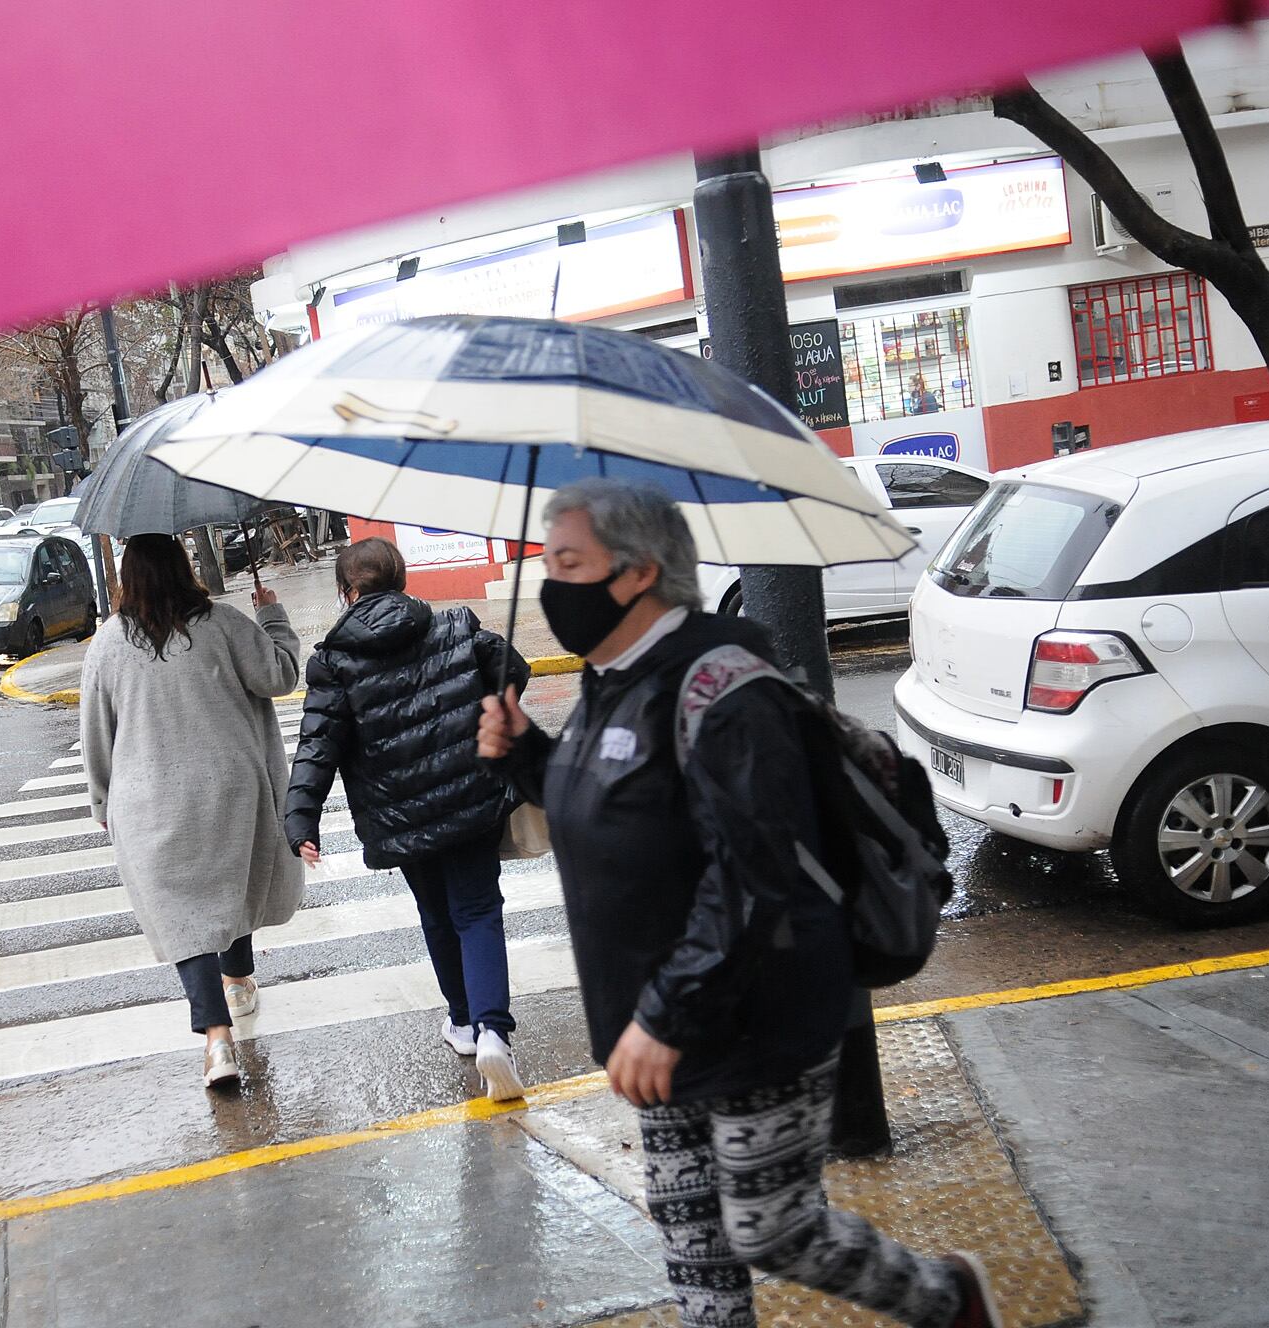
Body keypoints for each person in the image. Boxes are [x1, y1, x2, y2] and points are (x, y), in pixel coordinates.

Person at [477, 479, 1002, 1328]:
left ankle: (948, 1298)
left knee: (770, 1228)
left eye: (567, 561)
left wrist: (668, 1016)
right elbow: (617, 809)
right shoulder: (612, 676)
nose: (550, 580)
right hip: (658, 1018)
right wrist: (526, 755)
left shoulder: (726, 691)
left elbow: (761, 878)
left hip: (756, 1014)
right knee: (692, 1237)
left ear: (640, 572)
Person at [285, 537, 533, 1100]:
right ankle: (495, 1032)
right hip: (470, 797)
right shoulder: (455, 626)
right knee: (477, 910)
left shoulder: (333, 662)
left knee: (436, 913)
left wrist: (301, 820)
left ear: (346, 593)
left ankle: (464, 1022)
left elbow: (317, 748)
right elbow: (512, 673)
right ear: (400, 580)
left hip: (398, 815)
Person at [79, 532, 304, 1090]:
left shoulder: (107, 645)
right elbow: (279, 675)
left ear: (127, 579)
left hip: (148, 799)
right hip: (231, 787)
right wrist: (273, 617)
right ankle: (239, 981)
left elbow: (95, 735)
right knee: (230, 883)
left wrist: (103, 799)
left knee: (186, 914)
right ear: (185, 568)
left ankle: (216, 1040)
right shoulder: (224, 624)